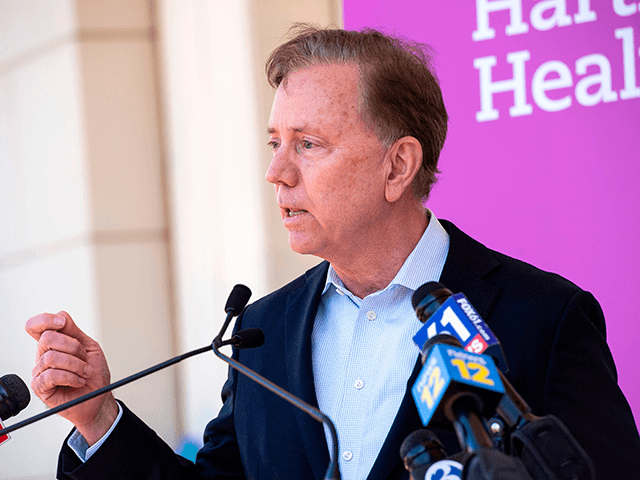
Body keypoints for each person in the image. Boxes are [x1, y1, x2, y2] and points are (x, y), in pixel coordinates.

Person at [26, 25, 640, 480]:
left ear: (397, 166)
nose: (276, 172)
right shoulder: (262, 331)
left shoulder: (544, 319)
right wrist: (99, 419)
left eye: (309, 144)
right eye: (275, 143)